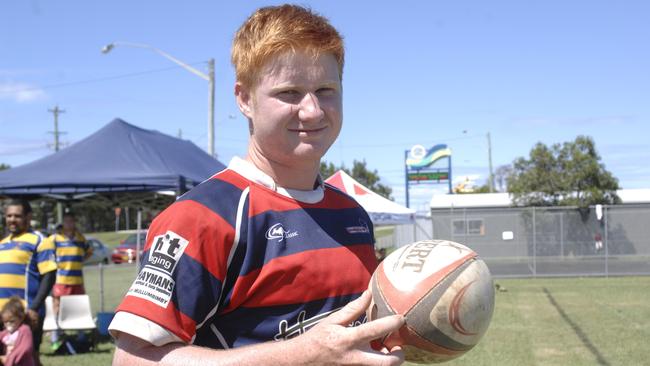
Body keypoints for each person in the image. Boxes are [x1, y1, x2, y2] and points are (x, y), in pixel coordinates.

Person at [109, 4, 404, 365]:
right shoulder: (202, 217)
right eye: (289, 93)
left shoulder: (352, 214)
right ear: (244, 98)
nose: (312, 110)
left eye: (326, 89)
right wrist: (302, 355)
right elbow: (133, 359)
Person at [0, 200, 57, 366]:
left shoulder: (39, 240)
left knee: (27, 358)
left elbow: (49, 276)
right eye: (9, 215)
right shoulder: (2, 243)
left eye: (17, 216)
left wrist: (34, 307)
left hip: (25, 314)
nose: (12, 219)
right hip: (2, 314)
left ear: (28, 217)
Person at [45, 211, 92, 349]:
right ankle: (56, 334)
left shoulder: (80, 238)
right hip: (61, 280)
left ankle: (81, 334)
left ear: (74, 222)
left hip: (77, 280)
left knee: (79, 307)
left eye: (71, 221)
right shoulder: (55, 239)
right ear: (63, 222)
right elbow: (47, 253)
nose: (69, 224)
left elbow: (89, 252)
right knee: (57, 307)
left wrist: (79, 261)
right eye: (66, 221)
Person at [0, 296, 35, 366]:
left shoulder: (25, 330)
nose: (8, 324)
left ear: (21, 318)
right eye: (5, 322)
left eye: (12, 321)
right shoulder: (4, 334)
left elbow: (25, 348)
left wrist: (9, 359)